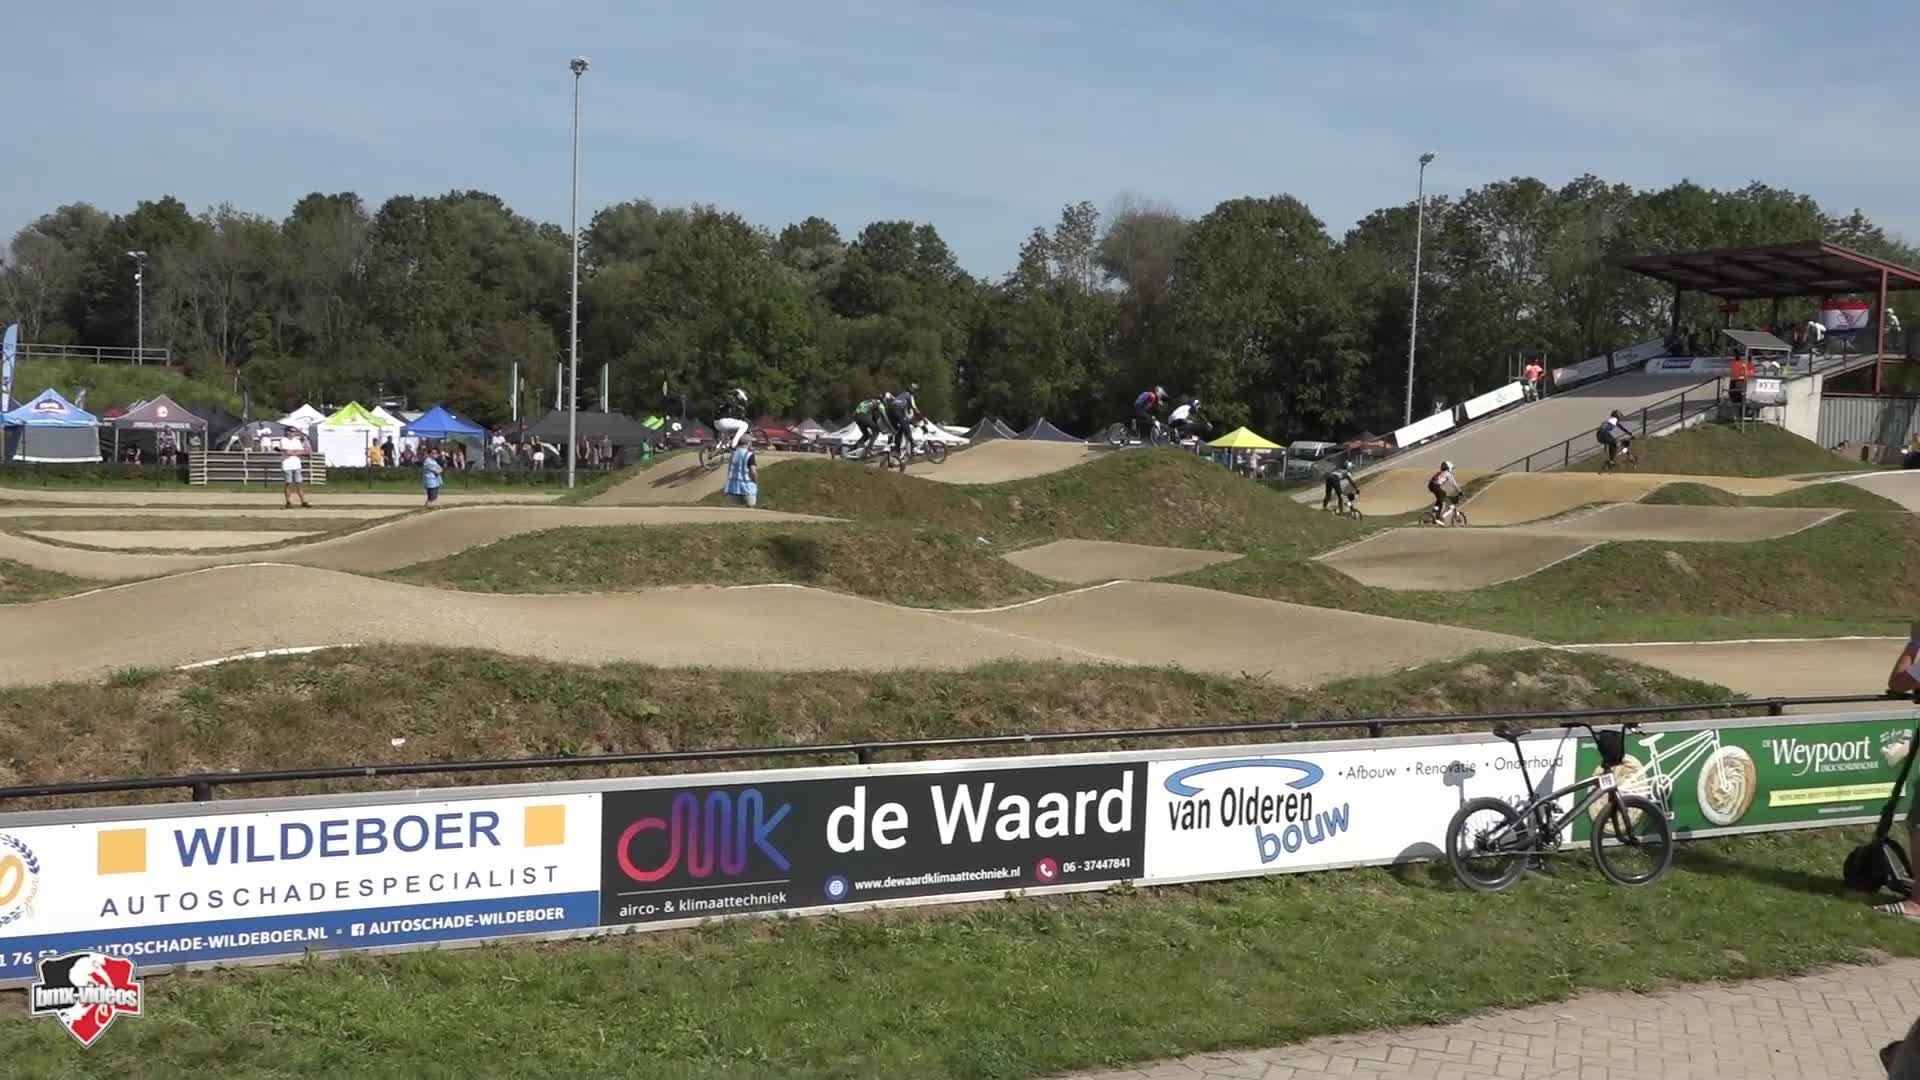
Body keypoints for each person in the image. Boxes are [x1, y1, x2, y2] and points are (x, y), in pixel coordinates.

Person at [884, 383, 922, 460]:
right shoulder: (909, 396)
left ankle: (892, 449)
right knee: (908, 431)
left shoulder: (901, 396)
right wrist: (922, 418)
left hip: (889, 411)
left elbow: (905, 414)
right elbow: (915, 409)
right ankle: (914, 449)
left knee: (897, 431)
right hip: (897, 411)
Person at [281, 429, 311, 509]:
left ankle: (303, 501)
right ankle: (288, 502)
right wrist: (296, 451)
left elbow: (303, 451)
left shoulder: (297, 441)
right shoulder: (283, 440)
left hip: (297, 464)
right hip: (287, 464)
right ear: (287, 432)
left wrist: (293, 452)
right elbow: (287, 452)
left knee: (299, 483)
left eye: (294, 432)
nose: (293, 433)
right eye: (291, 431)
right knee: (288, 483)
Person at [724, 440, 759, 508]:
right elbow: (753, 471)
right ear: (748, 443)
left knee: (734, 510)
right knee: (750, 507)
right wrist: (755, 481)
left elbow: (730, 470)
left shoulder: (733, 454)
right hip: (747, 488)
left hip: (733, 488)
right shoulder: (749, 454)